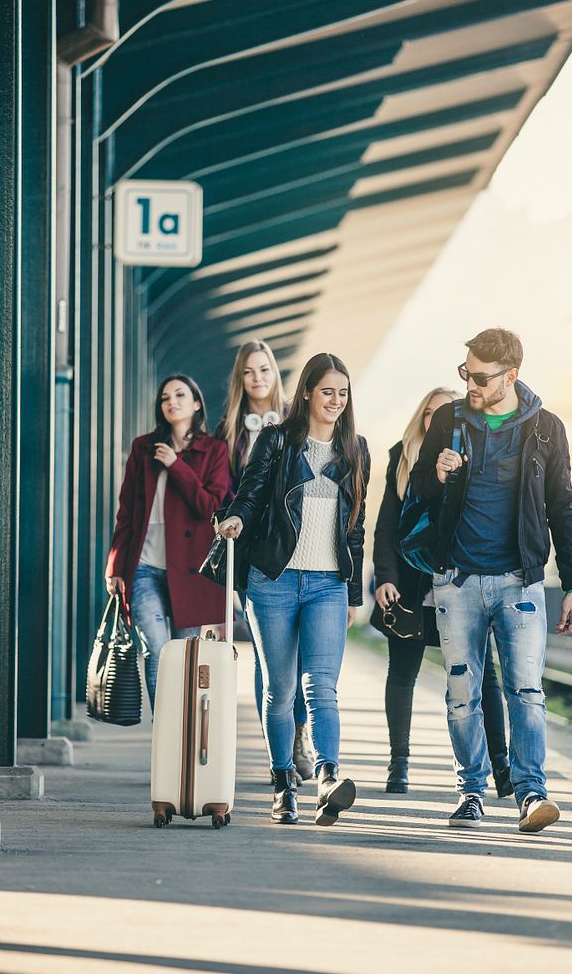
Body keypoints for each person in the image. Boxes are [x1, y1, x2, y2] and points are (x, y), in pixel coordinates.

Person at [410, 328, 572, 833]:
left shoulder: (546, 428)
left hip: (520, 582)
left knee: (526, 691)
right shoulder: (449, 419)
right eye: (466, 373)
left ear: (512, 376)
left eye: (482, 378)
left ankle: (532, 795)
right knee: (461, 694)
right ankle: (470, 791)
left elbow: (561, 507)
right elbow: (415, 487)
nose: (471, 385)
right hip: (457, 580)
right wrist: (437, 474)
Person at [219, 353, 370, 827]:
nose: (336, 401)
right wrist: (238, 518)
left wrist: (352, 595)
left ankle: (327, 777)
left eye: (343, 393)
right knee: (280, 689)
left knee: (321, 686)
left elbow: (356, 526)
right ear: (306, 392)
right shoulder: (277, 440)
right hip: (274, 581)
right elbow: (252, 490)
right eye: (327, 392)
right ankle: (284, 784)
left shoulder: (356, 449)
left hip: (328, 583)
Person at [372, 388, 512, 798]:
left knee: (483, 678)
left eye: (446, 412)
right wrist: (385, 576)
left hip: (462, 582)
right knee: (402, 673)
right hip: (412, 585)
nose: (438, 420)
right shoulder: (404, 454)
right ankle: (399, 765)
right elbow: (386, 523)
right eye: (431, 412)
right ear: (422, 417)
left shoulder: (474, 449)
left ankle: (501, 767)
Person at [215, 339, 314, 783]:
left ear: (276, 373)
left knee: (301, 659)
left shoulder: (298, 421)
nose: (257, 378)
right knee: (267, 658)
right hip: (253, 555)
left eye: (264, 369)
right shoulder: (229, 432)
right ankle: (282, 751)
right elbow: (223, 492)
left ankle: (299, 735)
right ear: (240, 380)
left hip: (299, 549)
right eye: (249, 372)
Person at [105, 374, 230, 711]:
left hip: (190, 569)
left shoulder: (214, 451)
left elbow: (211, 507)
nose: (171, 402)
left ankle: (184, 728)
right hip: (144, 565)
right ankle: (166, 729)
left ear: (196, 403)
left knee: (185, 654)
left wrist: (176, 466)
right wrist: (115, 566)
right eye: (164, 397)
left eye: (179, 395)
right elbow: (127, 511)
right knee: (157, 648)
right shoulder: (143, 448)